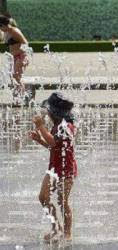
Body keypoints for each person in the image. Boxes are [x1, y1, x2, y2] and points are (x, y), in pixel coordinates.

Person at [28, 92, 77, 242]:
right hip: (54, 168)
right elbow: (53, 146)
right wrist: (39, 140)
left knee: (63, 201)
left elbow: (53, 143)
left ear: (55, 112)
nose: (47, 113)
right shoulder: (57, 126)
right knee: (43, 197)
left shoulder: (66, 127)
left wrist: (41, 127)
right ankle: (56, 228)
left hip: (66, 170)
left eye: (48, 110)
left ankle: (67, 233)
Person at [0, 15, 29, 100]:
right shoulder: (6, 32)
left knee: (16, 76)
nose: (0, 29)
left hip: (21, 56)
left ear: (3, 25)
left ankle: (22, 97)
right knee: (13, 77)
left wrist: (15, 52)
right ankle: (17, 98)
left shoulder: (14, 31)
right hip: (13, 57)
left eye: (0, 27)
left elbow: (26, 44)